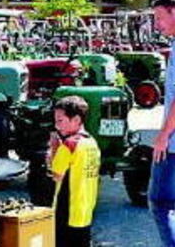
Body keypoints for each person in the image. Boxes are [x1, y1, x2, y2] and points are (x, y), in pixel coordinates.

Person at [49, 95, 100, 247]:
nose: (57, 126)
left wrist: (54, 149)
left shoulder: (69, 145)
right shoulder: (92, 142)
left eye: (60, 121)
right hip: (86, 209)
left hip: (68, 210)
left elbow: (56, 174)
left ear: (76, 120)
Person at [150, 0, 175, 246]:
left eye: (159, 17)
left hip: (174, 143)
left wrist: (163, 135)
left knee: (160, 203)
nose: (157, 25)